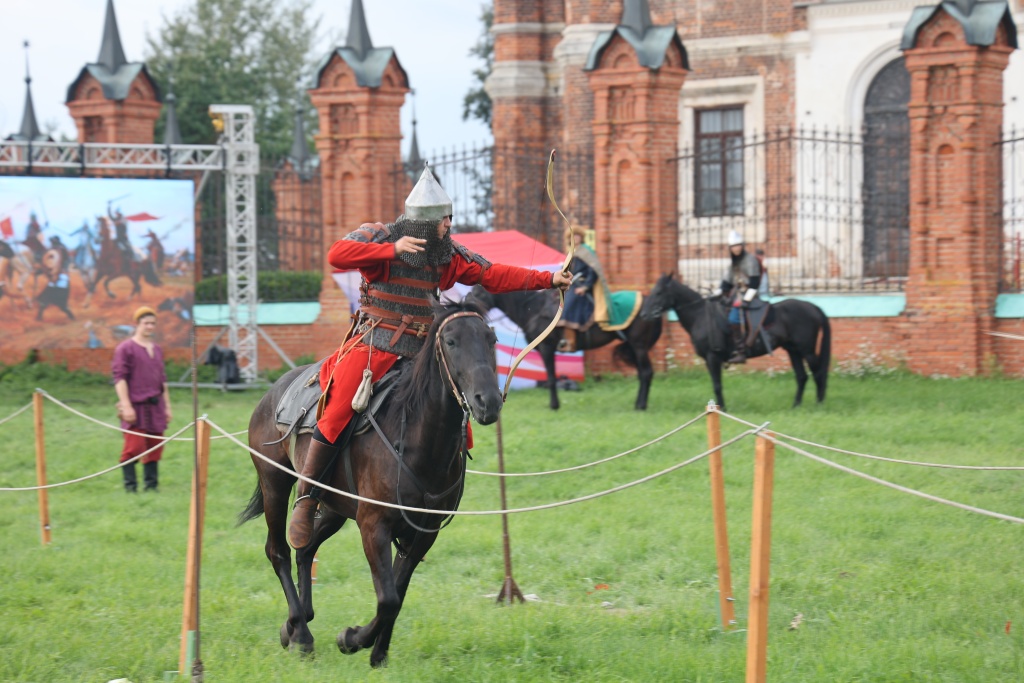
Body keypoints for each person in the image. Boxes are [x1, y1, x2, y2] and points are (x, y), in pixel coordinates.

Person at [288, 166, 573, 549]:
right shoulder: (380, 236)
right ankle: (307, 501)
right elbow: (337, 255)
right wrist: (390, 250)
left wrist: (547, 279)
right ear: (422, 222)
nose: (449, 225)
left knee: (457, 420)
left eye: (450, 218)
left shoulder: (446, 254)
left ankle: (430, 495)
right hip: (375, 344)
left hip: (423, 350)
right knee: (339, 408)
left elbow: (492, 274)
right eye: (443, 220)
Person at [112, 306, 172, 492]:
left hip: (156, 405)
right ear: (137, 324)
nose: (149, 326)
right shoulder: (125, 348)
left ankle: (151, 486)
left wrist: (167, 407)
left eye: (153, 323)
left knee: (155, 447)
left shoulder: (157, 349)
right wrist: (126, 405)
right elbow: (119, 378)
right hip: (136, 405)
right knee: (134, 447)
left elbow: (162, 380)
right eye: (146, 323)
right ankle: (130, 487)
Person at [720, 230, 763, 364]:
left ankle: (741, 352)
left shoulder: (750, 260)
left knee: (733, 318)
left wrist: (746, 299)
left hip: (750, 295)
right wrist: (719, 293)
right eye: (733, 246)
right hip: (737, 295)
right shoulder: (733, 264)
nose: (736, 248)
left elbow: (755, 283)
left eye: (738, 245)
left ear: (742, 246)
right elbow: (726, 283)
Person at [558, 225, 599, 353]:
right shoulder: (571, 252)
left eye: (578, 236)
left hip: (581, 287)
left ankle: (571, 342)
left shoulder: (586, 251)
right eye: (573, 236)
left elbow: (593, 272)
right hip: (571, 285)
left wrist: (585, 287)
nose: (576, 238)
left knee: (569, 305)